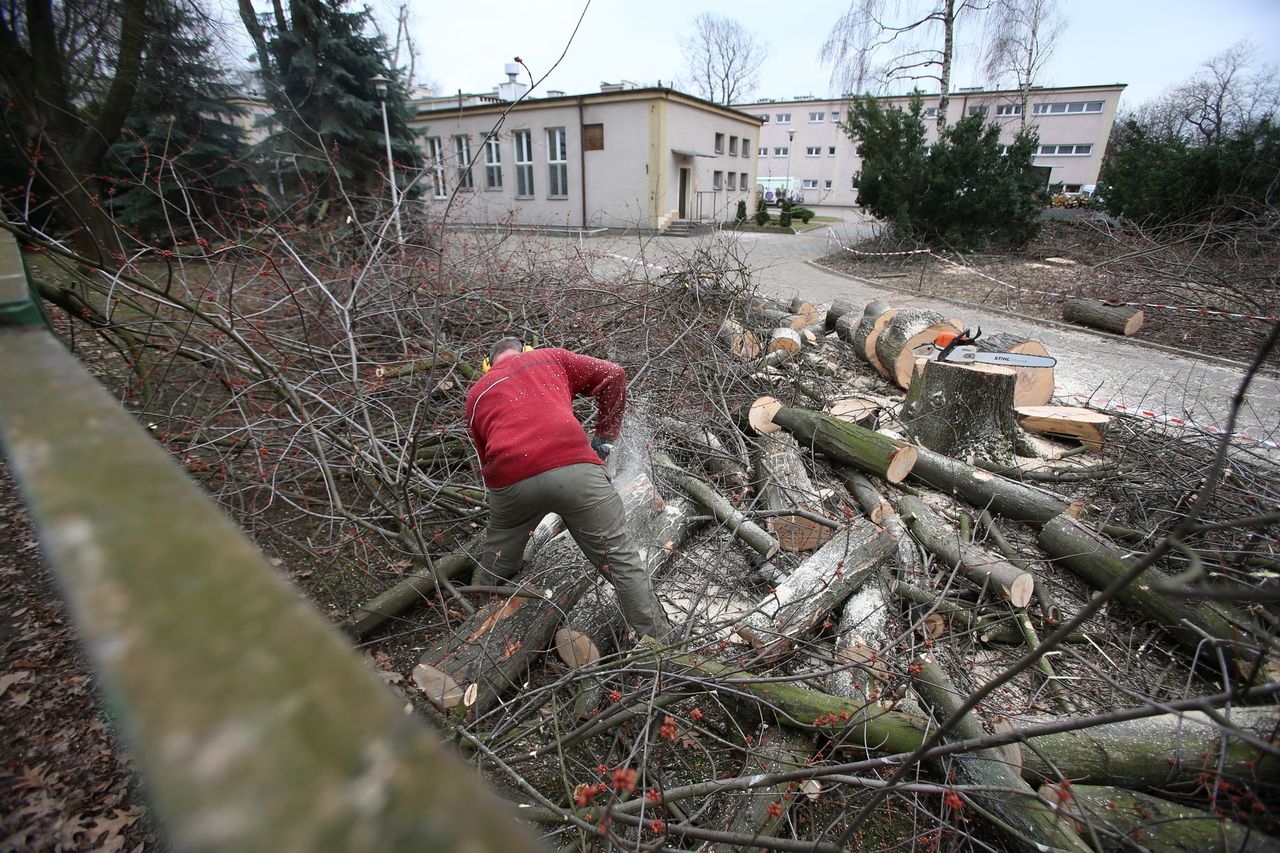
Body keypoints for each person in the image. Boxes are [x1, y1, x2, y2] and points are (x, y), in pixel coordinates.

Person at [465, 337, 671, 640]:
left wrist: (508, 510)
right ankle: (660, 643)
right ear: (527, 350)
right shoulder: (549, 358)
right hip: (576, 471)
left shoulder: (476, 394)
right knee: (620, 560)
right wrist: (605, 436)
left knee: (497, 561)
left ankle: (480, 632)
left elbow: (485, 458)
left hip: (511, 482)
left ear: (487, 366)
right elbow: (614, 374)